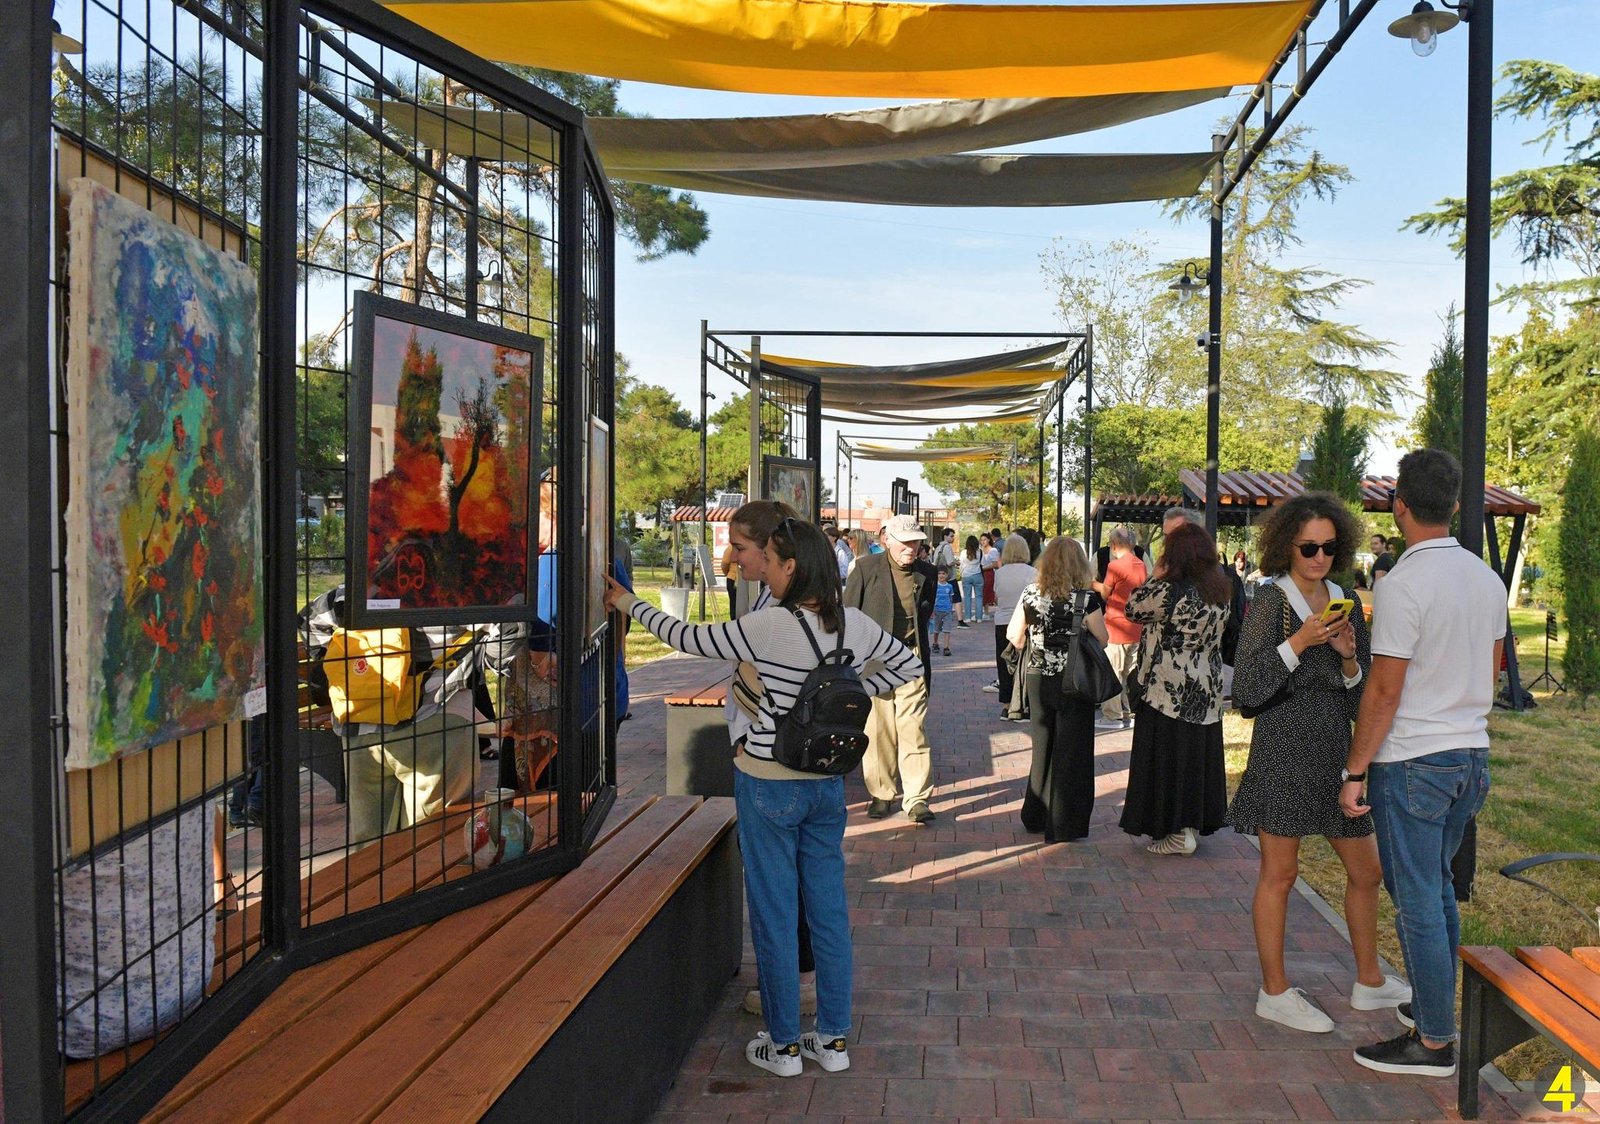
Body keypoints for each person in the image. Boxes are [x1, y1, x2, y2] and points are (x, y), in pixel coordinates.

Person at [604, 518, 922, 1078]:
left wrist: (628, 601)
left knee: (775, 917)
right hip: (825, 784)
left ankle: (783, 1046)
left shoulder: (767, 626)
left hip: (768, 780)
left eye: (769, 562)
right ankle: (833, 1040)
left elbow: (688, 638)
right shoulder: (854, 625)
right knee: (828, 913)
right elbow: (909, 666)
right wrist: (844, 690)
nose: (762, 571)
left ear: (790, 567)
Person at [1340, 449, 1504, 1078]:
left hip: (1414, 759)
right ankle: (1434, 1007)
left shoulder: (1402, 583)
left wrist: (1356, 770)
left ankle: (1434, 1041)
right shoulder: (1486, 579)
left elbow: (1384, 691)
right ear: (1457, 506)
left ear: (1398, 506)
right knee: (1436, 890)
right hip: (1470, 754)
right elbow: (1490, 674)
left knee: (1417, 902)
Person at [1228, 493, 1410, 1035]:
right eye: (1309, 547)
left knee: (1367, 871)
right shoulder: (1271, 601)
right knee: (1281, 874)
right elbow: (1247, 689)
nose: (1320, 557)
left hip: (1336, 750)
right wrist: (1300, 641)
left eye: (1329, 548)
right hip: (1283, 747)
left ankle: (1369, 980)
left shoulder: (1345, 600)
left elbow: (1361, 697)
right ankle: (1274, 992)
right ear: (1287, 545)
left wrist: (1349, 659)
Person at [1118, 522, 1232, 856]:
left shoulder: (1170, 590)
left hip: (1168, 689)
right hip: (1206, 689)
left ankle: (1176, 832)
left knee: (1167, 759)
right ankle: (1190, 826)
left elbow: (1133, 607)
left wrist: (1155, 575)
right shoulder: (1219, 591)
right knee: (1195, 758)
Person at [1007, 537, 1108, 842]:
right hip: (1074, 680)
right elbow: (1103, 639)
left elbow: (1015, 636)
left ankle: (1035, 815)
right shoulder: (1086, 599)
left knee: (1042, 748)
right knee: (1072, 751)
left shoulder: (1031, 594)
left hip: (1038, 678)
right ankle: (1063, 823)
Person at [844, 514, 938, 824]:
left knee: (914, 729)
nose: (912, 548)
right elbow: (848, 614)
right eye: (905, 542)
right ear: (887, 540)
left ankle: (917, 799)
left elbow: (924, 616)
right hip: (875, 660)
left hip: (910, 658)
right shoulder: (865, 569)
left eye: (916, 542)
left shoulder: (927, 573)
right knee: (878, 729)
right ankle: (881, 793)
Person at [1095, 526, 1146, 730]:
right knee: (1129, 673)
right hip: (1136, 627)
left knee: (1113, 672)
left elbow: (1106, 593)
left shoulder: (1115, 566)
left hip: (1116, 625)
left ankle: (1112, 715)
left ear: (1114, 545)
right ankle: (1126, 710)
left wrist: (1092, 584)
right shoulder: (1141, 565)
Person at [990, 534, 1037, 706]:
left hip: (1002, 621)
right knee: (1026, 664)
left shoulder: (999, 573)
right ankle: (1024, 703)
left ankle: (1006, 703)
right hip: (1026, 622)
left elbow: (997, 596)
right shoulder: (1032, 572)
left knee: (1004, 663)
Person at [958, 535, 985, 625]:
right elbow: (983, 563)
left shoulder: (964, 552)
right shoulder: (980, 552)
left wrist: (961, 573)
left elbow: (961, 564)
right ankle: (979, 618)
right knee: (979, 597)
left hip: (966, 576)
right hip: (978, 575)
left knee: (967, 597)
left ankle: (967, 617)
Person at [931, 567, 955, 656]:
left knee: (947, 629)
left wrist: (951, 608)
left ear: (947, 575)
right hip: (937, 610)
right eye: (939, 573)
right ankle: (935, 643)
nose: (941, 575)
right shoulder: (935, 586)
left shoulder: (949, 586)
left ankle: (946, 647)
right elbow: (932, 598)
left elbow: (951, 598)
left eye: (943, 574)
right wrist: (931, 610)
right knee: (936, 629)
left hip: (947, 611)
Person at [979, 532, 1001, 621]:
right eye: (981, 540)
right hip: (981, 573)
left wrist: (983, 568)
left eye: (984, 539)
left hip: (989, 573)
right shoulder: (980, 550)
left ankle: (999, 608)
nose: (983, 542)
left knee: (989, 591)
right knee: (983, 592)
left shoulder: (993, 550)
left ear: (988, 540)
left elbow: (995, 564)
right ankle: (985, 612)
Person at [721, 539, 739, 613]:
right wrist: (728, 574)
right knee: (734, 602)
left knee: (735, 603)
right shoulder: (730, 548)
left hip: (737, 578)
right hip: (733, 579)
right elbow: (724, 565)